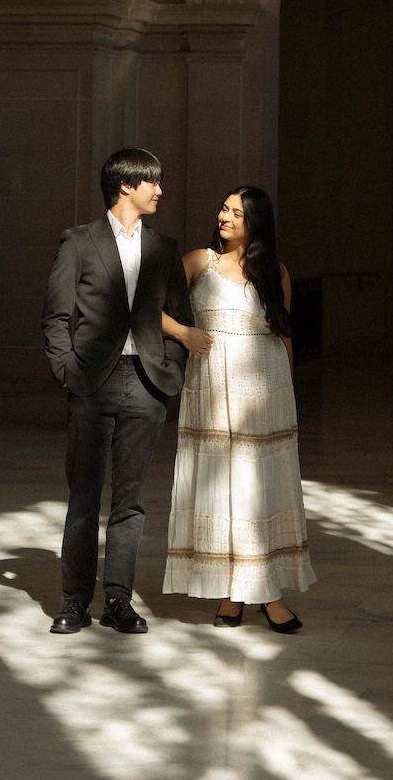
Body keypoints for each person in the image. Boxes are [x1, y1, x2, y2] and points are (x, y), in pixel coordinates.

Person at [41, 147, 208, 636]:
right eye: (152, 182)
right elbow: (54, 316)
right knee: (84, 498)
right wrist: (67, 370)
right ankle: (74, 601)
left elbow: (180, 315)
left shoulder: (163, 248)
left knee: (131, 501)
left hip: (148, 384)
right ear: (126, 186)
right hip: (92, 382)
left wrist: (169, 371)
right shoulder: (77, 242)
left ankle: (118, 599)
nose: (160, 190)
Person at [162, 186, 315, 632]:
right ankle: (238, 592)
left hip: (265, 396)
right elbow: (145, 307)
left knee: (258, 490)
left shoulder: (276, 273)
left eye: (236, 213)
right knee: (224, 489)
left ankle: (261, 591)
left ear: (255, 223)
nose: (224, 217)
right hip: (212, 391)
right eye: (223, 209)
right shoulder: (198, 261)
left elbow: (283, 334)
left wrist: (288, 396)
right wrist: (183, 334)